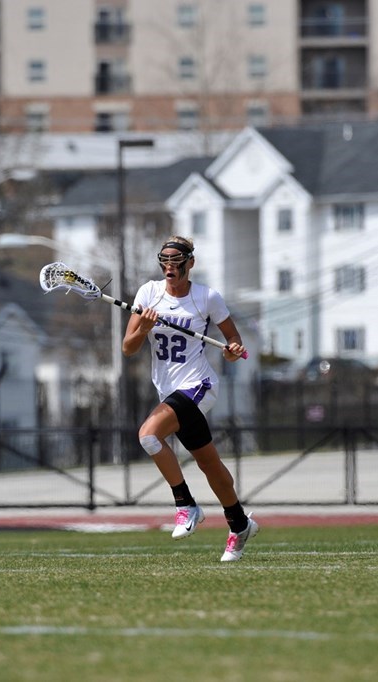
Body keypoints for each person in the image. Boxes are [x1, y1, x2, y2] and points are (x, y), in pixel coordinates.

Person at [123, 236, 257, 562]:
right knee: (208, 463)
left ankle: (185, 505)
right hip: (169, 391)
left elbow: (232, 340)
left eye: (176, 261)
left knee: (149, 435)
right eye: (165, 261)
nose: (170, 266)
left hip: (199, 385)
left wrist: (233, 350)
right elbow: (128, 347)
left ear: (189, 263)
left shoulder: (207, 297)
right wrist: (143, 326)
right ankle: (239, 523)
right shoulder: (148, 294)